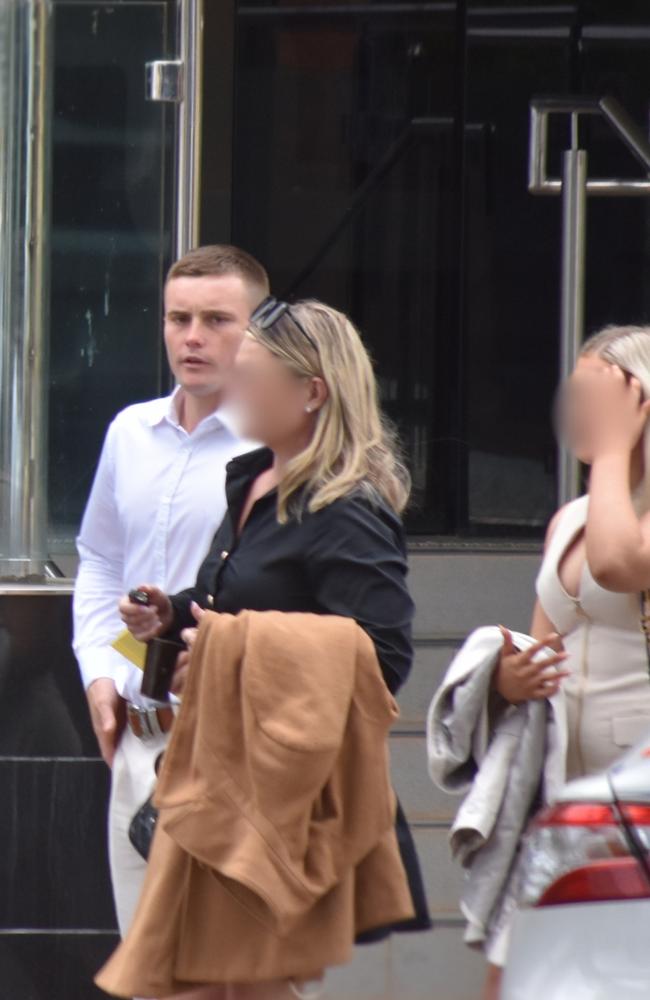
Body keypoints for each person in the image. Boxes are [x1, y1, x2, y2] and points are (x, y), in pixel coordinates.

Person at [115, 297, 431, 1000]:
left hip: (277, 792)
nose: (232, 387)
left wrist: (238, 648)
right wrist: (172, 622)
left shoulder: (346, 508)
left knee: (225, 984)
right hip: (219, 771)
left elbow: (383, 656)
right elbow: (224, 619)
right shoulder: (252, 481)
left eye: (252, 376)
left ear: (312, 392)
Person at [72, 244, 269, 947]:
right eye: (178, 318)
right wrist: (100, 669)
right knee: (148, 970)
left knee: (231, 974)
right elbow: (99, 559)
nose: (193, 337)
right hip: (138, 736)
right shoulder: (131, 430)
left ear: (258, 329)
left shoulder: (275, 446)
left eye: (218, 319)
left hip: (231, 741)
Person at [482, 324, 650, 999]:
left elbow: (617, 564)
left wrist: (614, 453)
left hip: (634, 797)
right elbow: (539, 643)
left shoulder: (612, 517)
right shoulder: (571, 517)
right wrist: (504, 677)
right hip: (561, 790)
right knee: (519, 977)